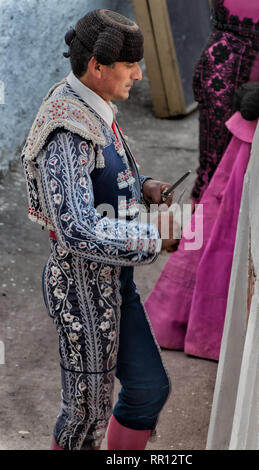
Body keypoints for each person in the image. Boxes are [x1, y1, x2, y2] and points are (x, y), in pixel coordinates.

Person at [21, 9, 179, 451]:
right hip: (82, 294)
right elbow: (76, 228)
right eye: (130, 66)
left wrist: (141, 185)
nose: (140, 74)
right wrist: (154, 238)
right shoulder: (65, 128)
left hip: (114, 286)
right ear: (98, 67)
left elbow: (103, 172)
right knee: (85, 416)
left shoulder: (93, 103)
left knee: (148, 389)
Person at [145, 82, 259, 361]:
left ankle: (182, 319)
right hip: (242, 108)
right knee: (216, 215)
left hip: (243, 107)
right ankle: (195, 325)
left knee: (214, 211)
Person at [191, 0, 259, 203]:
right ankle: (199, 231)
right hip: (222, 78)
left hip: (229, 75)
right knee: (216, 173)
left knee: (221, 173)